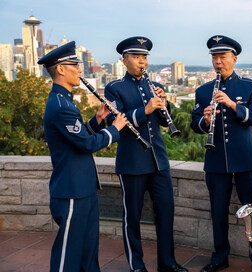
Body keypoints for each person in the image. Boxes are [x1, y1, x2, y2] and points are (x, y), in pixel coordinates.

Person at [39, 41, 128, 272]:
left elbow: (76, 136)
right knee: (68, 255)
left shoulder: (66, 101)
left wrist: (98, 120)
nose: (80, 69)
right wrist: (115, 128)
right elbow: (87, 144)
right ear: (60, 69)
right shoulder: (61, 105)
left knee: (88, 251)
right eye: (75, 65)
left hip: (83, 189)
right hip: (71, 192)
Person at [104, 36, 188, 272]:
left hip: (158, 160)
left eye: (144, 57)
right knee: (132, 218)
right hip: (132, 162)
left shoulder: (150, 86)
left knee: (166, 212)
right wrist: (146, 109)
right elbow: (115, 120)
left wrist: (164, 104)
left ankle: (167, 263)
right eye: (137, 57)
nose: (142, 62)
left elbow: (161, 122)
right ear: (124, 60)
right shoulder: (115, 88)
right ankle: (137, 265)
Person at [191, 35, 252, 272]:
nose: (218, 61)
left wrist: (233, 105)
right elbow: (195, 125)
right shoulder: (203, 90)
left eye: (222, 57)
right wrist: (205, 121)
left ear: (234, 59)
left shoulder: (250, 86)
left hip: (246, 160)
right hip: (216, 161)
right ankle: (219, 258)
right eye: (214, 57)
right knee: (217, 213)